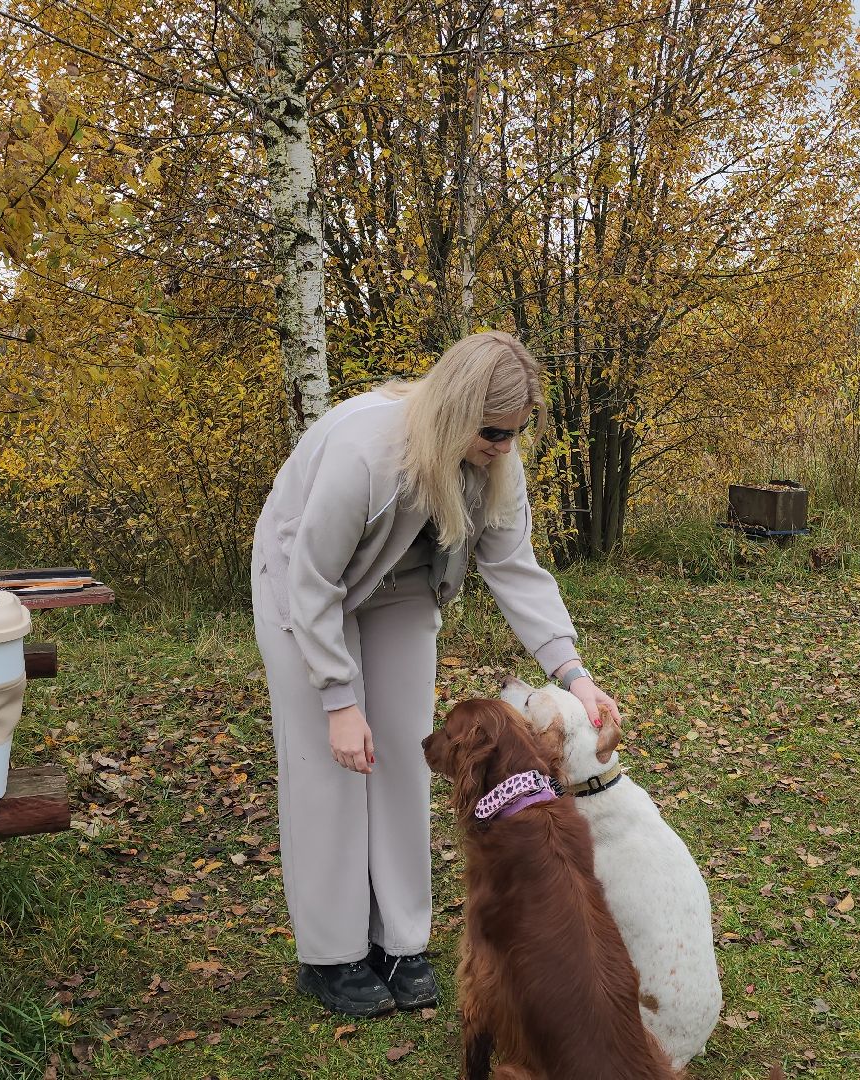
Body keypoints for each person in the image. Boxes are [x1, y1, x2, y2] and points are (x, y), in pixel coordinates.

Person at [250, 330, 624, 1017]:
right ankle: (331, 956)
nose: (503, 447)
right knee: (331, 762)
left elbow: (516, 570)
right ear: (454, 411)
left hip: (402, 586)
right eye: (490, 432)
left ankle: (400, 939)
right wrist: (337, 699)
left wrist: (573, 673)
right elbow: (312, 581)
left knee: (403, 749)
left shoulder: (496, 466)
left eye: (515, 433)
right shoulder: (365, 454)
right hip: (303, 582)